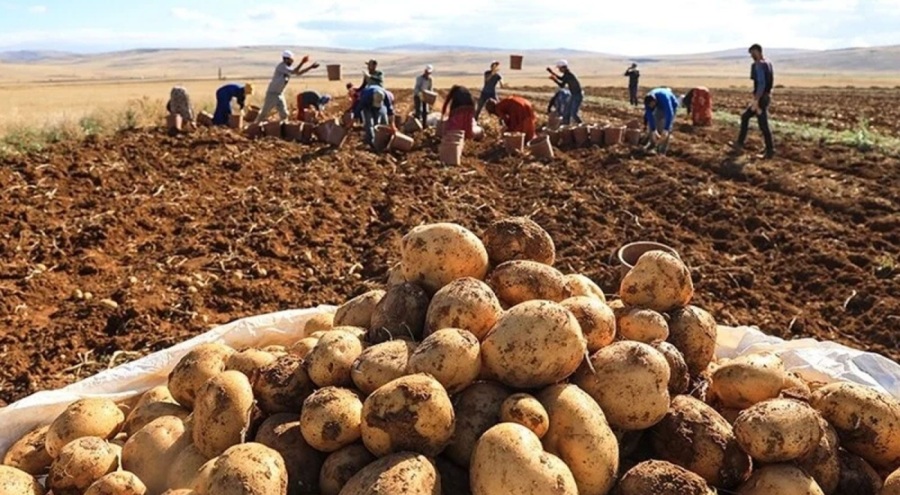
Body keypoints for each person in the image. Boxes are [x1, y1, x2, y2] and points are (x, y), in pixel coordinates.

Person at [732, 43, 775, 159]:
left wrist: (756, 100)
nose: (751, 56)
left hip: (761, 98)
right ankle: (740, 143)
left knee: (763, 124)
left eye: (752, 53)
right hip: (765, 96)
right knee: (745, 117)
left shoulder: (759, 65)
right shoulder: (768, 63)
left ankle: (770, 150)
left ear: (757, 51)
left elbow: (761, 83)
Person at [254, 50, 319, 123]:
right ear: (286, 59)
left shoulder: (288, 68)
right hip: (272, 93)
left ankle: (283, 128)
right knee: (264, 112)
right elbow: (294, 71)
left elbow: (298, 73)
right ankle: (254, 126)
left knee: (284, 114)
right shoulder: (282, 66)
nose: (292, 62)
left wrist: (310, 67)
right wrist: (302, 62)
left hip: (279, 94)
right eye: (291, 60)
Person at [353, 73, 395, 148]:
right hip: (367, 106)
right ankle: (370, 142)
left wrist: (392, 124)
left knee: (377, 123)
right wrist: (355, 117)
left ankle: (380, 141)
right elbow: (359, 107)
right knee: (369, 123)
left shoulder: (385, 95)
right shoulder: (366, 96)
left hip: (378, 106)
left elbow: (390, 110)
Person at [643, 87, 680, 155]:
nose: (651, 107)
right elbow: (649, 115)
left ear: (655, 101)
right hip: (659, 107)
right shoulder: (648, 101)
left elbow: (669, 113)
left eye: (652, 105)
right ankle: (652, 144)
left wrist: (666, 129)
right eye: (650, 106)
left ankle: (662, 151)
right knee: (655, 120)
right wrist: (654, 130)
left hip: (672, 106)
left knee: (664, 127)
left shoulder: (664, 98)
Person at [546, 60, 583, 125]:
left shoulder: (569, 75)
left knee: (573, 114)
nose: (559, 70)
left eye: (559, 68)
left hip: (577, 95)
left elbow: (561, 84)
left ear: (563, 68)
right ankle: (566, 127)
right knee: (566, 113)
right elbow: (562, 80)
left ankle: (582, 126)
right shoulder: (567, 75)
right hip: (573, 95)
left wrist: (554, 78)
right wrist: (552, 73)